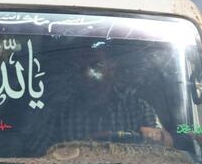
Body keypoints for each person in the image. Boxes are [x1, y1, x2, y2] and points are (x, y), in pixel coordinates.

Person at [30, 46, 172, 154]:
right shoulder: (61, 112)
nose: (89, 75)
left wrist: (156, 135)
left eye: (96, 66)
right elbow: (38, 154)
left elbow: (168, 144)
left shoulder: (137, 107)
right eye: (81, 69)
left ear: (112, 69)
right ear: (76, 75)